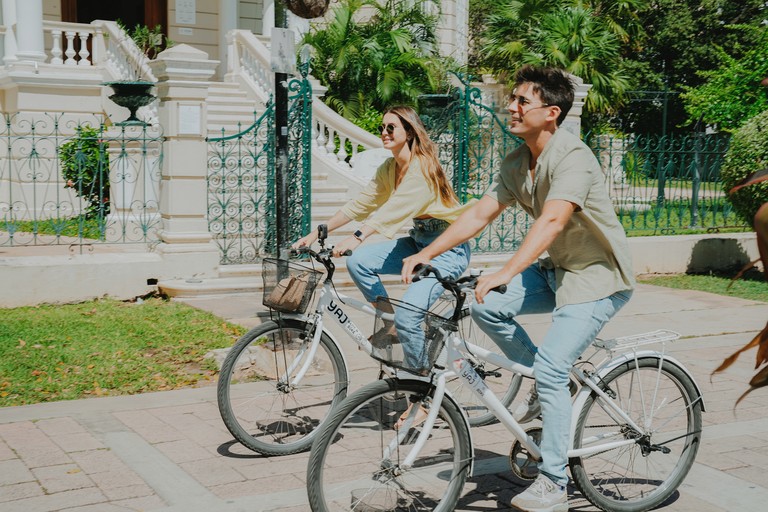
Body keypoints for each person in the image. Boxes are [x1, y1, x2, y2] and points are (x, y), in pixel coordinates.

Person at [402, 66, 635, 512]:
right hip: (555, 270)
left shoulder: (573, 157)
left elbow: (553, 220)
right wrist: (426, 253)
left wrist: (506, 271)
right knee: (485, 306)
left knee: (549, 366)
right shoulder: (516, 161)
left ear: (551, 113)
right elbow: (478, 214)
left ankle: (554, 483)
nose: (511, 107)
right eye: (512, 98)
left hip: (597, 277)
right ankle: (548, 385)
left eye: (522, 101)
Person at [293, 105, 473, 378]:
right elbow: (362, 203)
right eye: (382, 127)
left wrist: (357, 237)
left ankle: (420, 383)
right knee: (359, 262)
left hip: (447, 248)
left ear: (409, 132)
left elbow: (392, 210)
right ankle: (390, 323)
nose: (384, 132)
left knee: (408, 315)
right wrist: (318, 232)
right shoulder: (390, 168)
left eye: (391, 127)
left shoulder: (422, 168)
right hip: (418, 241)